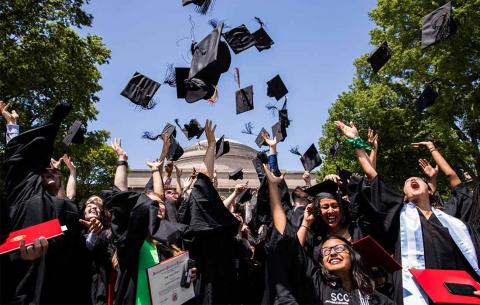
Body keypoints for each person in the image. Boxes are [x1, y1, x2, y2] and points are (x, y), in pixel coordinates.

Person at [335, 120, 480, 305]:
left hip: (457, 295)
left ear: (429, 190)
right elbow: (372, 175)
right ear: (403, 197)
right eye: (407, 182)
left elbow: (456, 184)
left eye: (417, 178)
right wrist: (355, 141)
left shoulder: (453, 219)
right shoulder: (398, 215)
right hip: (414, 293)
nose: (412, 178)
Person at [263, 164, 396, 305]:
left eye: (334, 205)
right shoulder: (316, 237)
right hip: (328, 291)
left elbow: (371, 202)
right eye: (325, 207)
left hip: (364, 287)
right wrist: (306, 223)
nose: (330, 210)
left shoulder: (357, 228)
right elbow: (292, 252)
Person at [1, 102, 90, 304]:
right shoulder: (25, 194)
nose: (50, 170)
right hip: (22, 285)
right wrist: (14, 126)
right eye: (45, 170)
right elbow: (17, 162)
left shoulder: (69, 208)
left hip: (59, 287)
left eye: (55, 171)